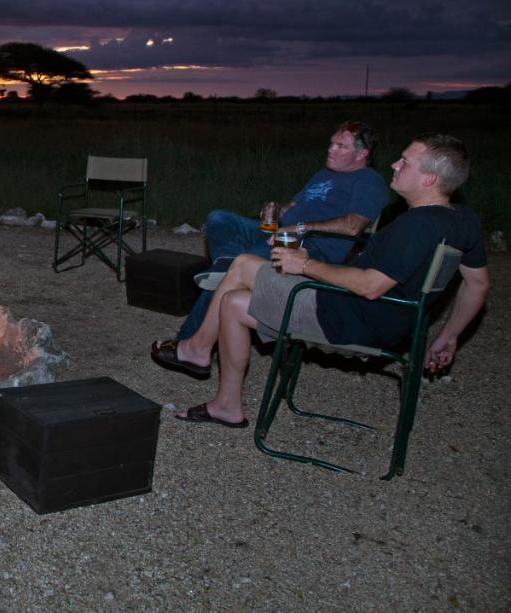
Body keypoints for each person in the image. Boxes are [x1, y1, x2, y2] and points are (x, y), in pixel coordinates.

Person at [151, 133, 490, 428]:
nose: (395, 166)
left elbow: (370, 286)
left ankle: (196, 349)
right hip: (382, 320)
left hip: (346, 317)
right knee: (233, 301)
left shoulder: (416, 226)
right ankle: (226, 404)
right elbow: (478, 284)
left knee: (241, 265)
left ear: (429, 179)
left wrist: (306, 265)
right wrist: (448, 337)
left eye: (405, 162)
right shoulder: (463, 220)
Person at [174, 121, 390, 340]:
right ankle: (226, 262)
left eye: (341, 146)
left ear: (362, 153)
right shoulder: (324, 173)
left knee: (234, 267)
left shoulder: (369, 180)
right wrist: (276, 209)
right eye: (331, 143)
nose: (331, 149)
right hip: (281, 232)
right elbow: (296, 206)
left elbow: (353, 226)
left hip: (309, 247)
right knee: (219, 217)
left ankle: (186, 340)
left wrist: (301, 228)